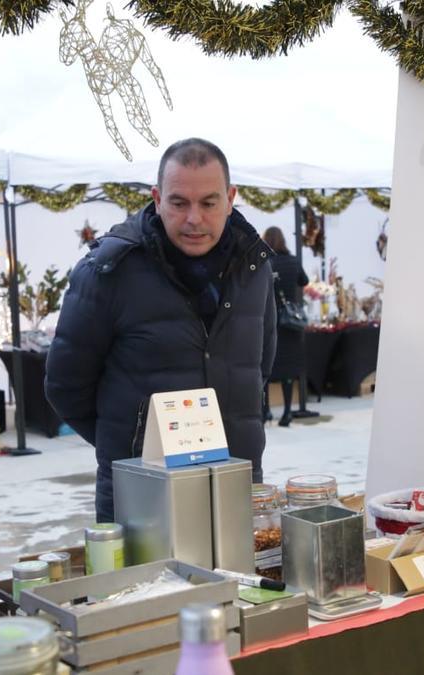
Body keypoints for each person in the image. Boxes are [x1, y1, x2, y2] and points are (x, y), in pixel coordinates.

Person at [45, 138, 277, 522]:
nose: (194, 219)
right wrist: (132, 446)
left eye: (208, 203)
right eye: (179, 202)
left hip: (234, 486)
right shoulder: (108, 272)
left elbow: (260, 367)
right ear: (157, 198)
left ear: (231, 197)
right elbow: (65, 387)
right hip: (143, 496)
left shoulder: (254, 269)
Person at [260, 226, 308, 426]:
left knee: (267, 367)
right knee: (288, 369)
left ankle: (266, 411)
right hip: (290, 323)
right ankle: (287, 412)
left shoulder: (265, 262)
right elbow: (303, 280)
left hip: (269, 322)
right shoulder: (293, 261)